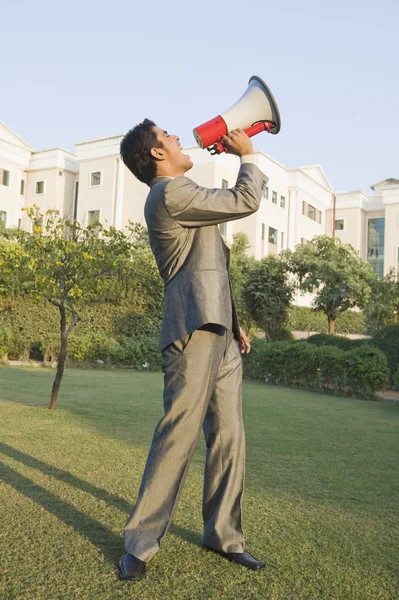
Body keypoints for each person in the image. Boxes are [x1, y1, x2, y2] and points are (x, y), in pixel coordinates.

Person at [118, 119, 268, 581]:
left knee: (229, 437)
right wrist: (247, 156)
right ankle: (139, 545)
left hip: (219, 332)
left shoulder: (186, 194)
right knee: (178, 435)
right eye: (169, 136)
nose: (180, 137)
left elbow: (214, 268)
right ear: (158, 154)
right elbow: (245, 200)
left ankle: (224, 536)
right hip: (191, 331)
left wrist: (237, 326)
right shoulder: (169, 193)